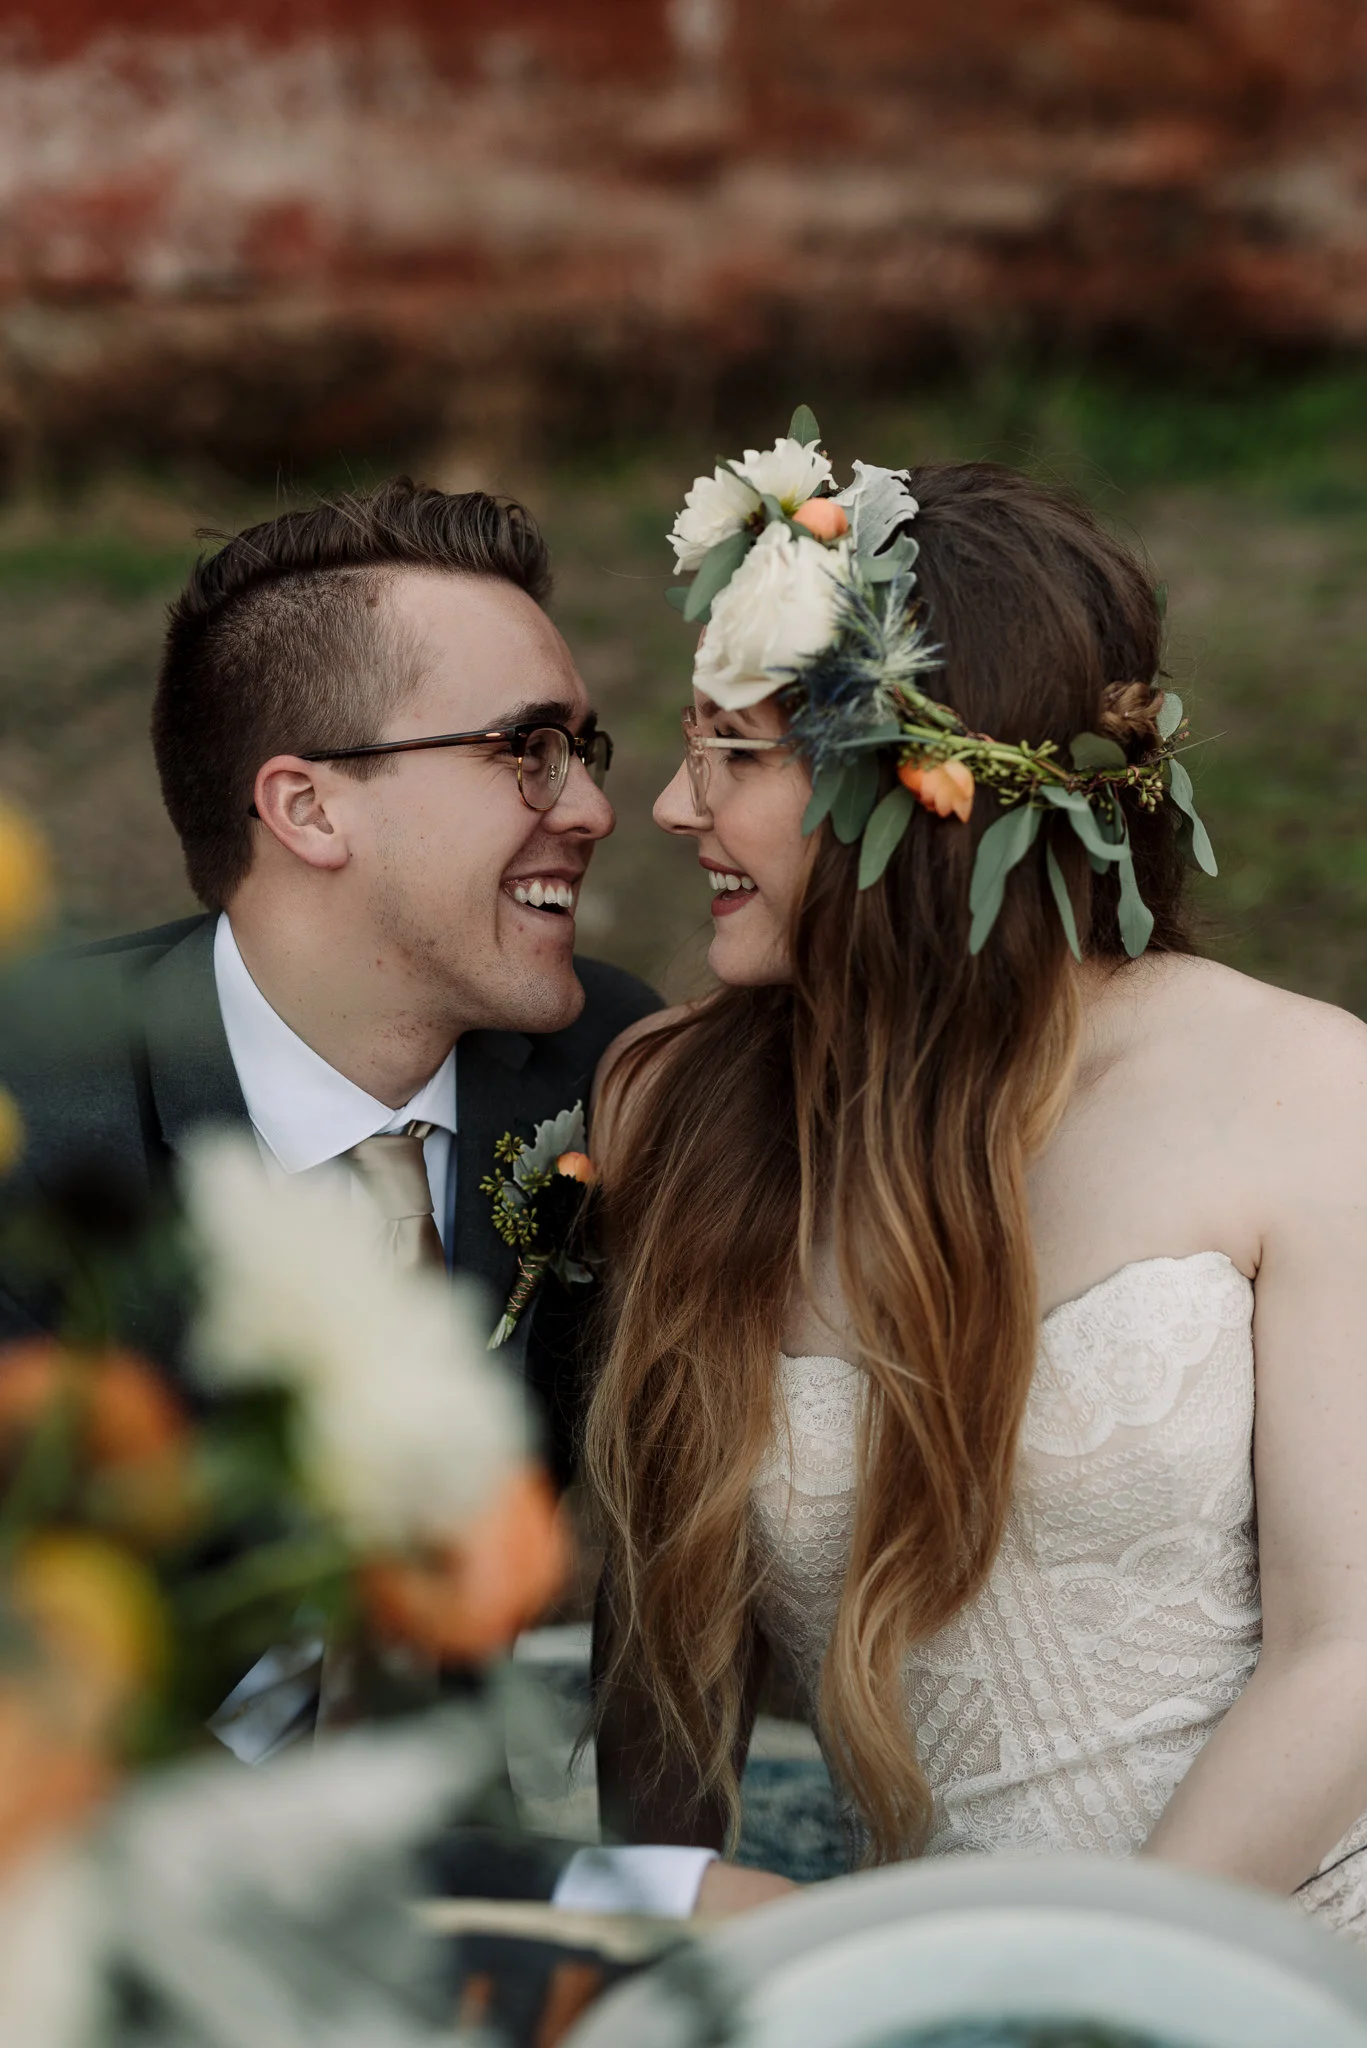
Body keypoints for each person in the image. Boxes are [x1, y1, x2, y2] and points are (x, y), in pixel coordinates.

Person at [585, 423, 1367, 1936]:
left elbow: (1345, 1653)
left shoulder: (1296, 1086)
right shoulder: (675, 1108)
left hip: (1288, 1948)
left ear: (913, 802)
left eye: (732, 757)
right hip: (925, 1984)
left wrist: (1100, 2000)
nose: (676, 812)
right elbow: (658, 1676)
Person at [0, 480, 659, 1486]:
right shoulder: (33, 1127)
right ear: (307, 809)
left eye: (581, 750)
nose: (592, 810)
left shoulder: (620, 1073)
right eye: (527, 749)